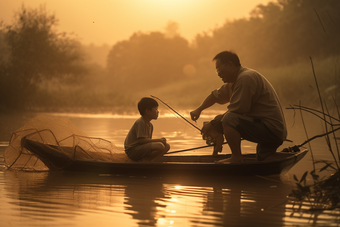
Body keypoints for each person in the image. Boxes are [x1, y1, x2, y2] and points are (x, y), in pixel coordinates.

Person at [190, 51, 287, 163]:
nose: (218, 73)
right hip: (273, 130)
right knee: (263, 158)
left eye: (218, 69)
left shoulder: (246, 78)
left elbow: (237, 112)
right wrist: (199, 109)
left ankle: (236, 157)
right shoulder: (233, 83)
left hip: (271, 129)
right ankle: (289, 156)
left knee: (229, 118)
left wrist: (212, 124)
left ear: (230, 65)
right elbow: (214, 96)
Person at [124, 97, 170, 162]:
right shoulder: (141, 122)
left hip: (141, 149)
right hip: (132, 151)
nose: (158, 112)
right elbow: (141, 141)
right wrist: (159, 140)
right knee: (160, 146)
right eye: (156, 109)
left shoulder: (150, 125)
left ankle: (150, 160)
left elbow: (148, 142)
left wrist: (160, 140)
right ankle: (146, 160)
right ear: (147, 111)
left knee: (167, 146)